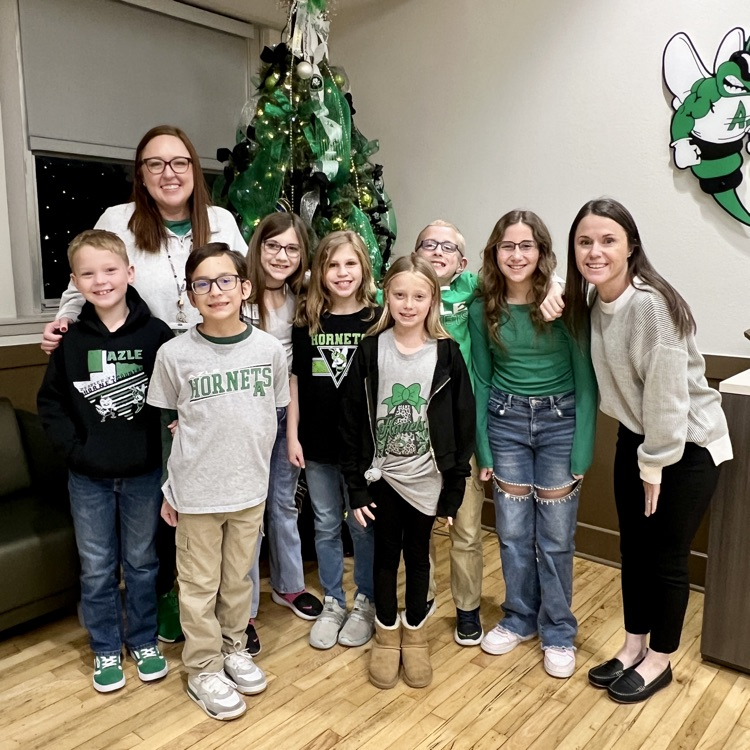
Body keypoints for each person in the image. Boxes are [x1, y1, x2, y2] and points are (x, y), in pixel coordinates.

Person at [41, 124, 248, 644]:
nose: (168, 173)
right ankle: (157, 609)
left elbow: (243, 283)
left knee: (208, 492)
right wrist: (67, 323)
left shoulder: (219, 220)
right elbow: (86, 277)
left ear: (194, 170)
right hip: (146, 364)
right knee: (159, 499)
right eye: (154, 164)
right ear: (142, 174)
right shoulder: (119, 220)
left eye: (179, 162)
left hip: (212, 366)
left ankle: (218, 611)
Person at [563, 197, 732, 702]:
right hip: (638, 439)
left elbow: (667, 398)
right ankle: (633, 645)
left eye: (608, 240)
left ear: (631, 246)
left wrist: (655, 466)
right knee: (633, 550)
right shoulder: (596, 302)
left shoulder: (650, 305)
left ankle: (660, 658)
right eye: (585, 241)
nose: (595, 251)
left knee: (667, 557)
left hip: (687, 444)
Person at [147, 242, 289, 720]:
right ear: (189, 295)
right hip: (197, 493)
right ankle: (203, 667)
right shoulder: (173, 354)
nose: (215, 291)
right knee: (199, 584)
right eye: (202, 284)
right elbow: (168, 429)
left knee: (237, 582)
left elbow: (269, 414)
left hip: (249, 489)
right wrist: (170, 489)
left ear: (245, 287)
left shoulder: (269, 350)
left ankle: (233, 648)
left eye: (225, 280)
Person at [414, 219, 567, 647]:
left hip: (462, 429)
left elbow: (522, 276)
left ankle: (468, 609)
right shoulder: (399, 289)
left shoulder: (474, 293)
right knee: (418, 527)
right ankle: (420, 601)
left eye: (448, 246)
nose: (437, 251)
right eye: (429, 244)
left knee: (466, 528)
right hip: (410, 429)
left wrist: (557, 285)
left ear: (463, 263)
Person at [37, 229, 173, 693]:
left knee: (142, 562)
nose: (101, 280)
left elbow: (174, 400)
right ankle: (105, 647)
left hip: (144, 474)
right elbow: (50, 403)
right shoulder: (70, 341)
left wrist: (162, 453)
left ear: (129, 273)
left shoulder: (157, 335)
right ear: (75, 282)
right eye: (88, 273)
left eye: (110, 270)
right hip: (88, 478)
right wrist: (75, 450)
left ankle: (142, 640)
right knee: (96, 566)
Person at [469, 210, 598, 679]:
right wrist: (483, 448)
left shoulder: (565, 305)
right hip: (505, 424)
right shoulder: (482, 305)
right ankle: (519, 617)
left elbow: (586, 380)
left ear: (542, 252)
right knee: (513, 533)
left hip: (560, 422)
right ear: (495, 253)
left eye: (527, 246)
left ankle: (559, 629)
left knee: (557, 538)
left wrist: (583, 449)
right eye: (507, 246)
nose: (517, 255)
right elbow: (482, 378)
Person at [339, 255, 475, 689]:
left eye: (419, 295)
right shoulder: (369, 350)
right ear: (386, 296)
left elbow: (461, 425)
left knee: (418, 559)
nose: (408, 304)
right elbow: (351, 422)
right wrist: (356, 488)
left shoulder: (448, 354)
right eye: (399, 294)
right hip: (383, 479)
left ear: (433, 299)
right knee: (383, 558)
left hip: (427, 479)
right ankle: (385, 633)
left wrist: (453, 490)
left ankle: (414, 636)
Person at [287, 230, 381, 650]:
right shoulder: (307, 321)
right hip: (318, 444)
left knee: (361, 528)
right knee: (325, 524)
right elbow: (295, 382)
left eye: (350, 264)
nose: (342, 273)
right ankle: (333, 601)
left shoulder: (380, 319)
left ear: (364, 268)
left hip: (364, 449)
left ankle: (365, 600)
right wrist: (292, 434)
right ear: (319, 272)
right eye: (332, 265)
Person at [244, 213, 323, 652]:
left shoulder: (301, 298)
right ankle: (245, 607)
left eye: (292, 249)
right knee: (248, 515)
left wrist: (292, 434)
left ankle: (289, 585)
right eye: (273, 246)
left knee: (282, 504)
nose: (282, 256)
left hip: (283, 416)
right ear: (258, 246)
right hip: (242, 421)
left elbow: (292, 375)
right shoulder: (238, 294)